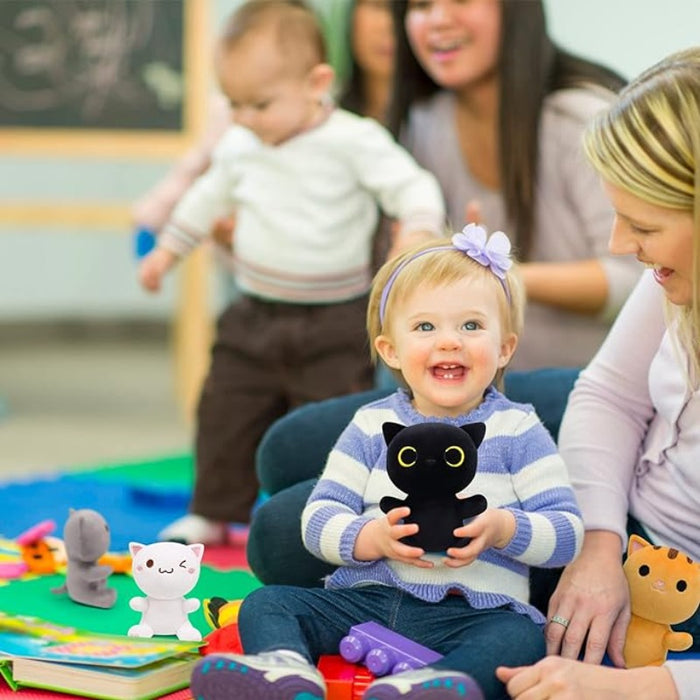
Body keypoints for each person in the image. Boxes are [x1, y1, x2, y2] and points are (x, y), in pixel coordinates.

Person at [244, 0, 638, 588]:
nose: (437, 20)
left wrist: (490, 278)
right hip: (452, 393)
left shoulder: (580, 116)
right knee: (283, 450)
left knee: (277, 532)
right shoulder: (425, 120)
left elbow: (639, 281)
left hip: (568, 390)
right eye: (420, 5)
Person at [190, 226, 585, 700]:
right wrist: (368, 536)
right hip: (368, 599)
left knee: (521, 640)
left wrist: (504, 529)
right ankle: (286, 669)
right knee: (266, 603)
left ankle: (426, 688)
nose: (449, 342)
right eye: (425, 327)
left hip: (475, 612)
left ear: (505, 347)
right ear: (390, 350)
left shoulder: (519, 430)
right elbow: (318, 518)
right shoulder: (370, 423)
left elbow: (566, 533)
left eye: (471, 326)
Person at [137, 0, 445, 545]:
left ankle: (322, 513)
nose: (244, 117)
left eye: (259, 104)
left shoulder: (353, 139)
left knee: (324, 422)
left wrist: (417, 228)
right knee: (226, 409)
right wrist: (167, 252)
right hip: (254, 310)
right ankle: (212, 508)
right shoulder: (241, 142)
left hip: (335, 318)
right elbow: (205, 199)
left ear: (316, 83)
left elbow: (412, 184)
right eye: (233, 103)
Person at [495, 47, 700, 700]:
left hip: (669, 562)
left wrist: (641, 689)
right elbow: (611, 392)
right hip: (629, 449)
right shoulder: (677, 274)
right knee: (289, 453)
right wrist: (596, 543)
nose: (618, 245)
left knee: (286, 537)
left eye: (642, 225)